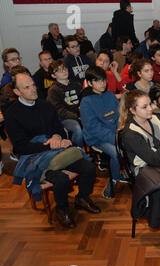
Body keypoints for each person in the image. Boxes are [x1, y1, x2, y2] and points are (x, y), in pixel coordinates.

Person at [5, 73, 100, 229]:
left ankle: (82, 198)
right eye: (27, 87)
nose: (33, 89)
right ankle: (62, 209)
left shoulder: (45, 105)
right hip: (34, 156)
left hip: (56, 150)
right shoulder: (12, 114)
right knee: (61, 179)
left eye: (33, 85)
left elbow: (59, 128)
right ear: (17, 92)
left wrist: (57, 136)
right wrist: (49, 145)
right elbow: (21, 147)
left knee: (88, 167)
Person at [118, 89, 160, 228]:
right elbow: (153, 159)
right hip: (146, 170)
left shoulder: (156, 119)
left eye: (150, 104)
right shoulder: (129, 133)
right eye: (144, 107)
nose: (150, 109)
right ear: (132, 110)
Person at [79, 66, 124, 199]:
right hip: (96, 138)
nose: (102, 83)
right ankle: (114, 181)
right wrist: (116, 138)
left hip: (113, 133)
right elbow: (93, 128)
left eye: (103, 80)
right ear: (90, 83)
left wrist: (120, 132)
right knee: (116, 152)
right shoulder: (86, 102)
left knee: (131, 143)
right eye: (97, 81)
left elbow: (118, 117)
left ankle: (129, 172)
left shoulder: (110, 95)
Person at [47, 60, 83, 148]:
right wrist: (77, 116)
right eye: (58, 70)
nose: (64, 71)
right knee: (77, 129)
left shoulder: (76, 84)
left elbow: (84, 100)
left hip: (80, 114)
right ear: (53, 75)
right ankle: (77, 150)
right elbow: (60, 110)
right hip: (64, 119)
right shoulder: (53, 90)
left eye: (64, 68)